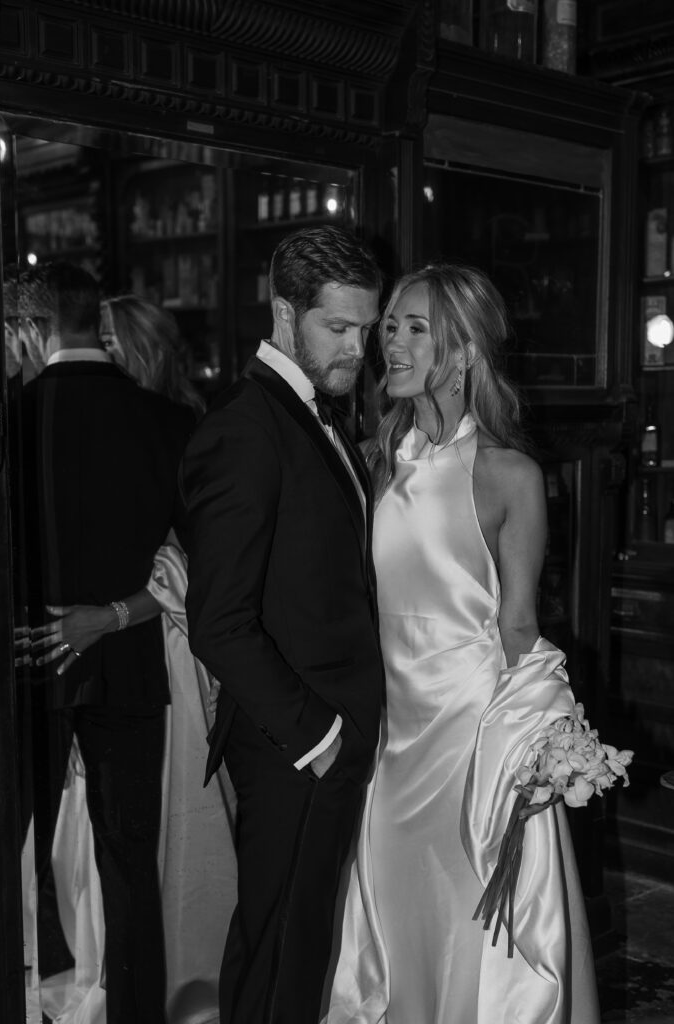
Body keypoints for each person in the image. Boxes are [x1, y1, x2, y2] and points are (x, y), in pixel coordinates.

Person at [322, 263, 600, 1024]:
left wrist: (545, 736)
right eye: (392, 328)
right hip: (387, 735)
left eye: (417, 329)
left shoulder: (509, 474)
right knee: (395, 915)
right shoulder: (373, 461)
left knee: (470, 919)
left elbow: (516, 624)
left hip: (469, 740)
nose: (394, 345)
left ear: (465, 350)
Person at [179, 224, 385, 1024]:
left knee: (290, 947)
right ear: (282, 311)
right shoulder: (244, 428)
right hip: (294, 742)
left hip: (315, 732)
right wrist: (319, 739)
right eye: (337, 327)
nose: (356, 349)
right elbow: (218, 623)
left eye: (364, 329)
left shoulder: (312, 414)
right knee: (279, 952)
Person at [30, 292, 237, 1024]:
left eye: (117, 341)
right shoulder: (145, 426)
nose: (109, 354)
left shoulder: (181, 429)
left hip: (170, 648)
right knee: (103, 853)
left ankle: (172, 984)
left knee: (165, 838)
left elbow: (202, 563)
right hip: (126, 655)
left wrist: (112, 614)